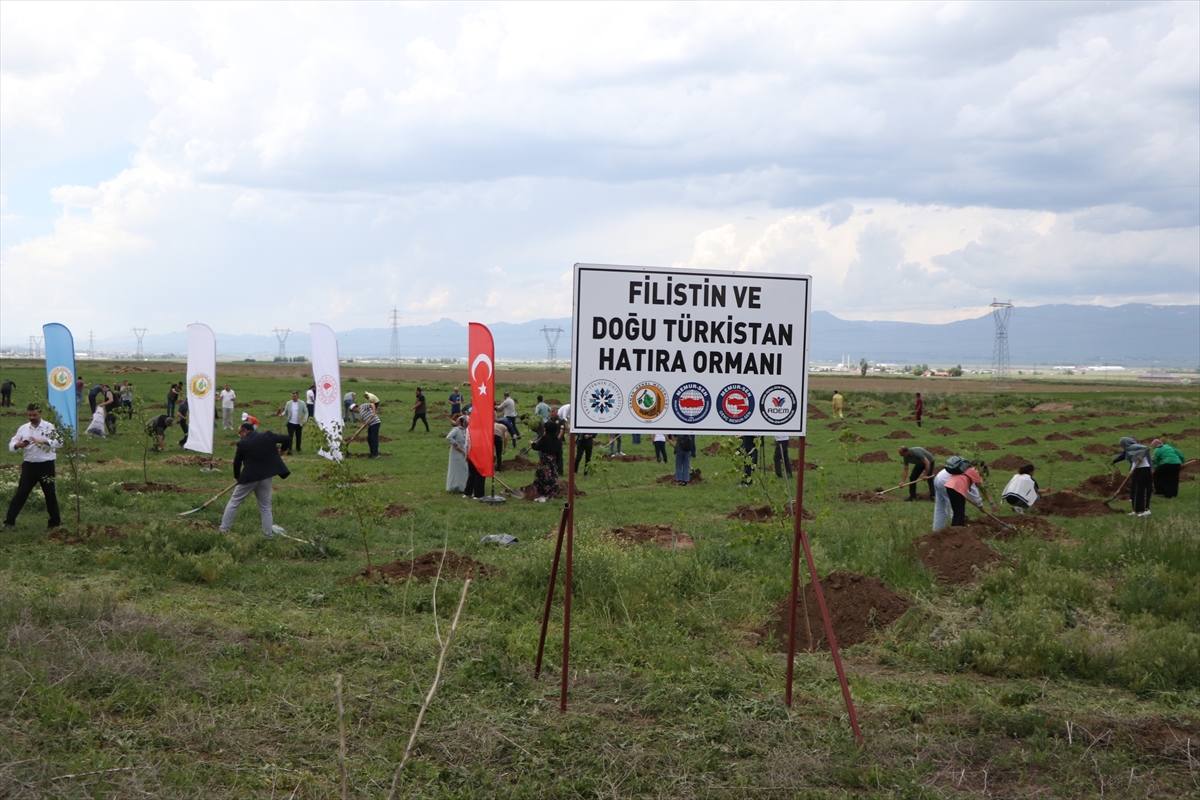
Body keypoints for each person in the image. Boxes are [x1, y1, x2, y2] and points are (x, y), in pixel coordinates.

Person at [219, 422, 292, 538]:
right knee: (265, 507)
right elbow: (287, 438)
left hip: (250, 477)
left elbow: (237, 462)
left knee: (234, 502)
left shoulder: (243, 443)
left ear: (245, 431)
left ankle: (223, 529)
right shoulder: (267, 435)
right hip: (266, 476)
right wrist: (283, 450)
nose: (240, 436)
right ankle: (268, 534)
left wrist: (237, 477)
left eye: (239, 433)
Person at [4, 404, 62, 529]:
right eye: (29, 415)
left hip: (46, 466)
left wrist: (43, 441)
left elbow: (59, 442)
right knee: (21, 494)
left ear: (40, 414)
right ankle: (9, 522)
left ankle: (54, 523)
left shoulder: (49, 427)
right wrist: (18, 445)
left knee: (50, 494)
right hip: (29, 466)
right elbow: (12, 444)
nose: (32, 417)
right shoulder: (24, 428)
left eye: (34, 415)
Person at [945, 459, 996, 526]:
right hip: (957, 489)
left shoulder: (967, 469)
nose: (982, 474)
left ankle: (955, 529)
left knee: (956, 511)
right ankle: (959, 530)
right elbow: (983, 490)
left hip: (949, 486)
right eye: (983, 472)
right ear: (981, 467)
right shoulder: (975, 471)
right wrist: (991, 504)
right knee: (960, 512)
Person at [1113, 437, 1154, 517]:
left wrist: (1141, 456)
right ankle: (1137, 510)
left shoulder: (1135, 447)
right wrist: (1132, 470)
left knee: (1142, 489)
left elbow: (1146, 449)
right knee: (1136, 490)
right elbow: (1134, 461)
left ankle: (1146, 510)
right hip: (1137, 470)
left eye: (1122, 445)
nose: (1122, 447)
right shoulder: (1129, 450)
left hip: (1144, 470)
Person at [445, 416, 469, 492]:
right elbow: (448, 437)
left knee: (464, 469)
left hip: (464, 453)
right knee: (456, 470)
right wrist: (456, 444)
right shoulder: (456, 430)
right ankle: (454, 486)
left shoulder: (466, 431)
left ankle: (463, 487)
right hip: (456, 453)